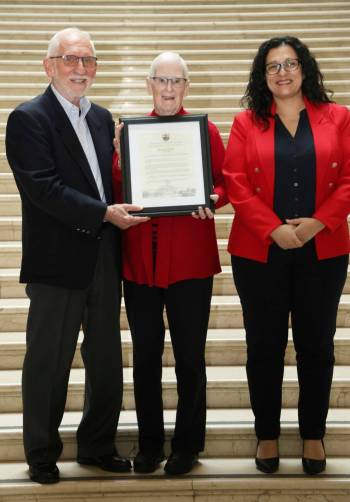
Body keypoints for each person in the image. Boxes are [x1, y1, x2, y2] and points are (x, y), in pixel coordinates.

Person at [5, 27, 148, 484]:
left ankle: (97, 445)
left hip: (104, 256)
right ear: (49, 66)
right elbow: (42, 187)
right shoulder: (29, 118)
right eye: (70, 59)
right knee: (49, 359)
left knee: (105, 356)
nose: (80, 68)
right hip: (56, 261)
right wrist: (104, 212)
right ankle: (42, 452)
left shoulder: (104, 118)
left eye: (87, 60)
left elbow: (109, 181)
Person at [223, 35, 350, 475]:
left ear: (305, 69)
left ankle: (312, 434)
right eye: (273, 66)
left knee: (317, 344)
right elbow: (234, 180)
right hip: (260, 251)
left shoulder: (339, 117)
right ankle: (267, 435)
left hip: (324, 248)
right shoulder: (245, 122)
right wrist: (272, 228)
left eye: (290, 63)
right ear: (263, 76)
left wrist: (319, 222)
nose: (282, 72)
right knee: (264, 346)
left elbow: (349, 178)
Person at [113, 52, 227, 475]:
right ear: (148, 85)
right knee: (145, 358)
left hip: (190, 264)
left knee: (190, 357)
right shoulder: (128, 132)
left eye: (175, 81)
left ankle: (187, 445)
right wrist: (121, 161)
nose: (167, 89)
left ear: (186, 87)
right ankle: (149, 444)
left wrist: (213, 199)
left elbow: (222, 182)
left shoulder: (206, 130)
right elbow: (117, 184)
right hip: (140, 263)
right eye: (160, 80)